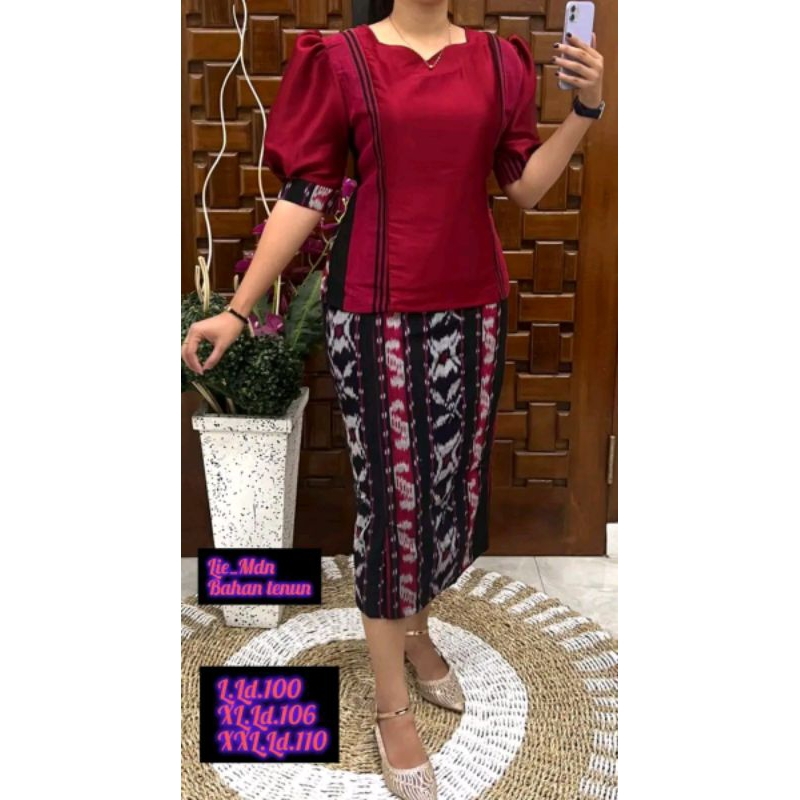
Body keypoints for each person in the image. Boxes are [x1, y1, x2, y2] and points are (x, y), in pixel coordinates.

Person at [182, 2, 605, 797]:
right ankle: (390, 707)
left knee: (446, 495)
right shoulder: (340, 59)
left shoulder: (499, 62)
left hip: (475, 310)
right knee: (391, 506)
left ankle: (414, 630)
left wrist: (585, 109)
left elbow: (525, 189)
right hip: (374, 313)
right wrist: (238, 310)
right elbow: (306, 192)